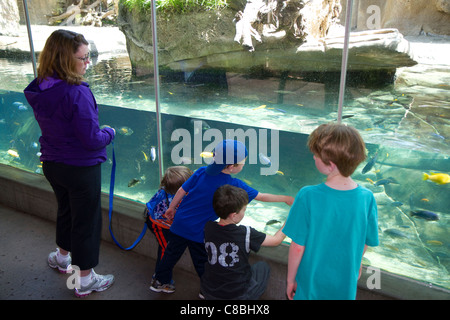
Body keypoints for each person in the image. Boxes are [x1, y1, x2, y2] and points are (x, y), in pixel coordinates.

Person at [24, 29, 116, 297]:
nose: (88, 63)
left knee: (66, 210)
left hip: (53, 164)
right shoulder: (76, 93)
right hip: (80, 167)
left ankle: (62, 257)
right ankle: (85, 279)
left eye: (89, 56)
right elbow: (91, 139)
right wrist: (109, 133)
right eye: (83, 58)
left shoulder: (40, 86)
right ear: (65, 59)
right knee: (86, 221)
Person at [150, 139, 293, 294]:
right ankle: (206, 291)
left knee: (170, 255)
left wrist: (171, 208)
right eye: (243, 163)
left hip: (179, 224)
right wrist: (285, 199)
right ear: (232, 167)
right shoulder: (233, 184)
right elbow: (261, 196)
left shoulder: (200, 172)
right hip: (198, 232)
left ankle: (159, 281)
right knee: (202, 262)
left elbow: (181, 191)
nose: (244, 165)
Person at [283, 123, 379, 300]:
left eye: (316, 154)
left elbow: (297, 247)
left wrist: (290, 280)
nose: (313, 158)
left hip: (310, 283)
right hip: (345, 284)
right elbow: (367, 240)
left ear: (331, 164)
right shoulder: (367, 198)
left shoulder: (307, 195)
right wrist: (356, 262)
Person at [201, 184, 286, 300]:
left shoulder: (208, 227)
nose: (244, 212)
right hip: (237, 294)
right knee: (263, 267)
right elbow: (277, 240)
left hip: (210, 290)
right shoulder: (246, 233)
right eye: (244, 209)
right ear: (234, 215)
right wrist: (291, 219)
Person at [144, 166, 193, 284]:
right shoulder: (175, 200)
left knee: (167, 248)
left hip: (165, 223)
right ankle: (160, 279)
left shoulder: (168, 190)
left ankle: (161, 273)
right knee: (166, 250)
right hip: (158, 225)